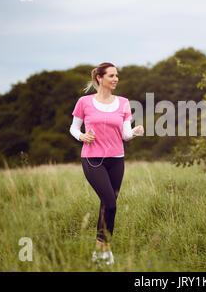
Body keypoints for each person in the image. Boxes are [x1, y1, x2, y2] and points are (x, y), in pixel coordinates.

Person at [69, 62, 144, 266]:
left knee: (108, 206)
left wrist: (135, 132)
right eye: (111, 75)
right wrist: (82, 136)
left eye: (117, 75)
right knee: (110, 203)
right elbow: (74, 128)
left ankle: (100, 251)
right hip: (92, 160)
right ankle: (105, 249)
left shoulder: (123, 103)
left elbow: (126, 135)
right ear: (99, 78)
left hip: (116, 160)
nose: (116, 79)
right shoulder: (84, 102)